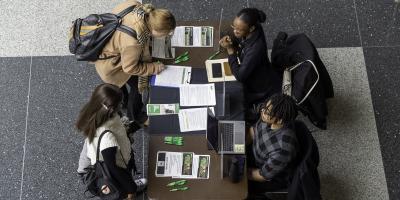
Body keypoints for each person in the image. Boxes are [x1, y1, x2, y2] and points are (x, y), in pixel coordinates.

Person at [95, 0, 176, 130]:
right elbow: (130, 68)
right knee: (136, 87)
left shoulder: (136, 5)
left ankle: (124, 102)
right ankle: (136, 117)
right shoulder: (133, 42)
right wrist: (154, 67)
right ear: (153, 29)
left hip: (108, 52)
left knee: (120, 90)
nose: (166, 37)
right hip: (112, 67)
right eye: (164, 34)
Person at [76, 83, 146, 200]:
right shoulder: (107, 138)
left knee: (122, 179)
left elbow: (119, 128)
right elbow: (113, 168)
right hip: (99, 171)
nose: (122, 104)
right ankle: (122, 193)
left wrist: (138, 123)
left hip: (101, 160)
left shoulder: (98, 110)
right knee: (117, 190)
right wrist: (131, 187)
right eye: (120, 103)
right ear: (112, 108)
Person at [219, 8, 282, 123]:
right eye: (234, 27)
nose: (235, 32)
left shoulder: (255, 49)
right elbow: (241, 38)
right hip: (262, 72)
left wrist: (230, 50)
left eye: (239, 30)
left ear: (251, 28)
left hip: (260, 87)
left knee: (232, 104)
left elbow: (240, 76)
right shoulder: (254, 29)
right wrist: (233, 39)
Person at [246, 94, 299, 199]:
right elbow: (254, 131)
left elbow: (262, 175)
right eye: (265, 107)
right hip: (254, 154)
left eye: (266, 111)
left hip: (264, 172)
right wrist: (239, 147)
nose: (262, 111)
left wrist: (240, 171)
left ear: (280, 121)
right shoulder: (268, 115)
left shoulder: (283, 149)